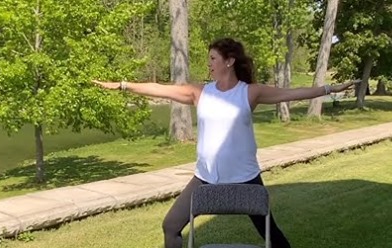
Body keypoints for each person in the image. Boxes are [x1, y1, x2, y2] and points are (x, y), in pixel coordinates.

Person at [93, 37, 356, 248]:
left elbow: (293, 93)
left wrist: (330, 89)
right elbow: (160, 88)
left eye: (213, 59)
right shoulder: (199, 92)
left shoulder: (250, 92)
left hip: (246, 176)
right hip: (206, 176)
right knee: (171, 226)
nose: (209, 64)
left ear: (229, 61)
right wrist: (122, 85)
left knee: (272, 236)